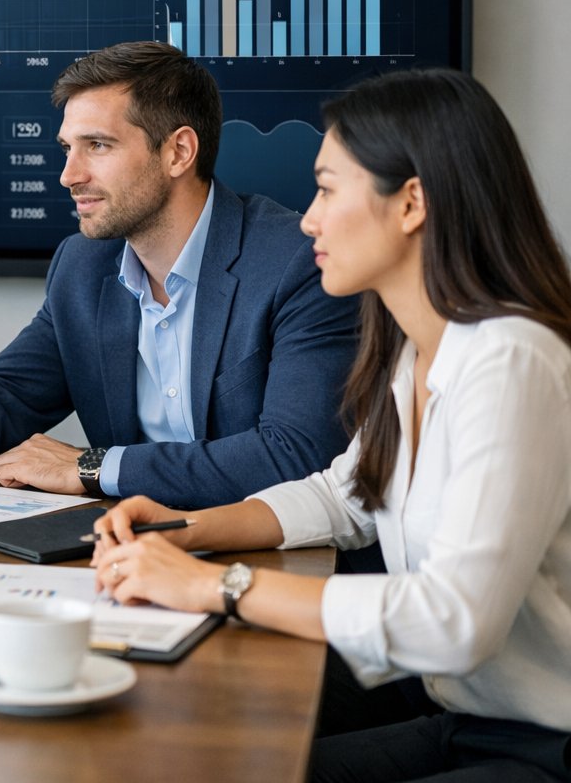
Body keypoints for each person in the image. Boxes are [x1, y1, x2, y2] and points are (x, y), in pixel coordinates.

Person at [91, 68, 571, 781]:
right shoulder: (417, 349)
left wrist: (213, 586)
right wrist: (182, 529)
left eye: (327, 188)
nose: (308, 218)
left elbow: (456, 623)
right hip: (462, 718)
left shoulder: (511, 360)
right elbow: (342, 496)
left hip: (540, 744)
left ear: (411, 202)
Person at [0, 40, 358, 506]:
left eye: (97, 146)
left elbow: (299, 455)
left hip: (266, 555)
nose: (69, 175)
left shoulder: (298, 261)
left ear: (179, 152)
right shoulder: (82, 266)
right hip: (130, 555)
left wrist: (93, 467)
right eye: (67, 149)